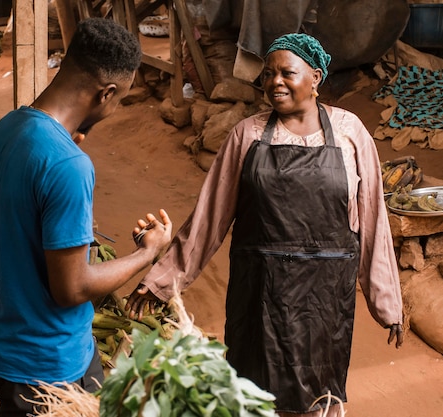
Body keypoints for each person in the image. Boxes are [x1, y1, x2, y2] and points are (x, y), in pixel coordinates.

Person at [126, 33, 404, 416]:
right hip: (259, 293)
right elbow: (208, 218)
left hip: (323, 301)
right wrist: (160, 281)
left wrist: (387, 304)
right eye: (268, 74)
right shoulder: (248, 134)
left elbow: (373, 220)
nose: (274, 82)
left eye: (286, 73)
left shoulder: (350, 132)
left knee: (317, 395)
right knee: (255, 395)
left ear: (316, 78)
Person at [0, 18, 172, 417]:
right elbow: (72, 288)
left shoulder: (4, 131)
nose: (114, 110)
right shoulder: (68, 165)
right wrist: (147, 254)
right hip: (49, 370)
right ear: (105, 93)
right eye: (119, 101)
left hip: (9, 353)